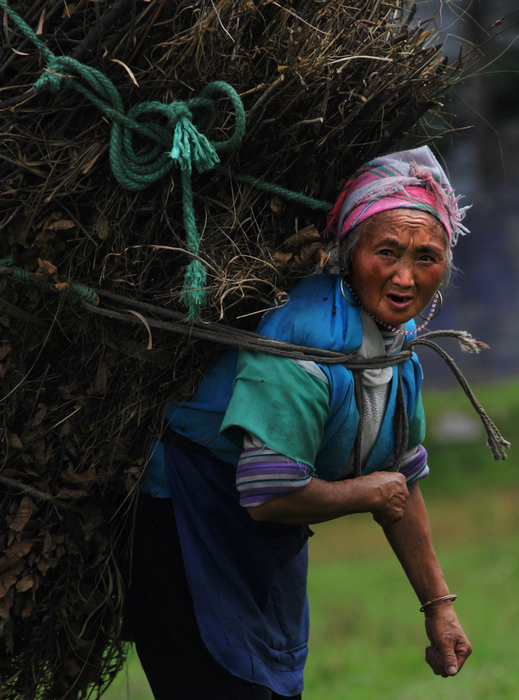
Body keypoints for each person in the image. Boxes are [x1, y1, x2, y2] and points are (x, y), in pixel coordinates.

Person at [125, 146, 473, 699]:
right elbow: (269, 494)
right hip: (187, 524)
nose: (406, 276)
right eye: (387, 251)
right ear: (348, 251)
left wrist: (440, 609)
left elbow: (400, 480)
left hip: (266, 544)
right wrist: (367, 492)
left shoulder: (394, 344)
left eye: (427, 257)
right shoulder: (304, 336)